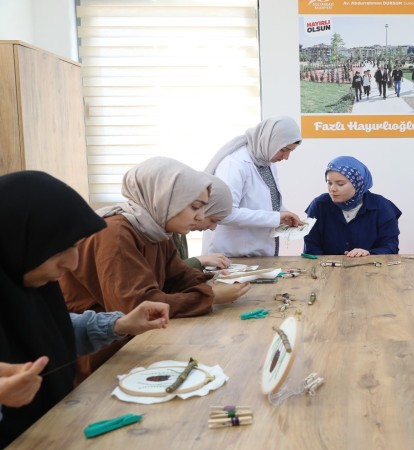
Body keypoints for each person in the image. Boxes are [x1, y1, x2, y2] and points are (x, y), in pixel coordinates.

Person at [0, 171, 171, 446]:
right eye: (59, 250)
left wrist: (120, 324)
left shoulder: (29, 282)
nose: (73, 263)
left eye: (77, 246)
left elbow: (55, 330)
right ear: (14, 239)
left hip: (54, 431)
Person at [60, 157, 250, 379]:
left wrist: (215, 281)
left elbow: (178, 277)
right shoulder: (116, 233)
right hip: (103, 359)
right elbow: (138, 307)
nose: (200, 216)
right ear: (165, 198)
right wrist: (211, 296)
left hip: (135, 345)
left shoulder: (155, 231)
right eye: (195, 207)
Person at [203, 117, 304, 257]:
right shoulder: (234, 165)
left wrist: (284, 213)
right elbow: (224, 213)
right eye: (284, 150)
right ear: (270, 140)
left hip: (259, 255)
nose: (286, 157)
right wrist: (275, 218)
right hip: (231, 256)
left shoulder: (267, 162)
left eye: (290, 151)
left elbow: (269, 201)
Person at [304, 156, 402, 257]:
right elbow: (311, 248)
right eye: (329, 183)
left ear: (358, 183)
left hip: (371, 266)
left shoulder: (382, 207)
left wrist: (369, 253)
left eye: (340, 184)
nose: (332, 189)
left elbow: (391, 247)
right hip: (325, 266)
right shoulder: (319, 205)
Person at [171, 174, 233, 270]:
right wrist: (199, 261)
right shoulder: (160, 232)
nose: (213, 228)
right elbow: (164, 273)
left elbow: (178, 273)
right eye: (213, 220)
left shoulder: (179, 231)